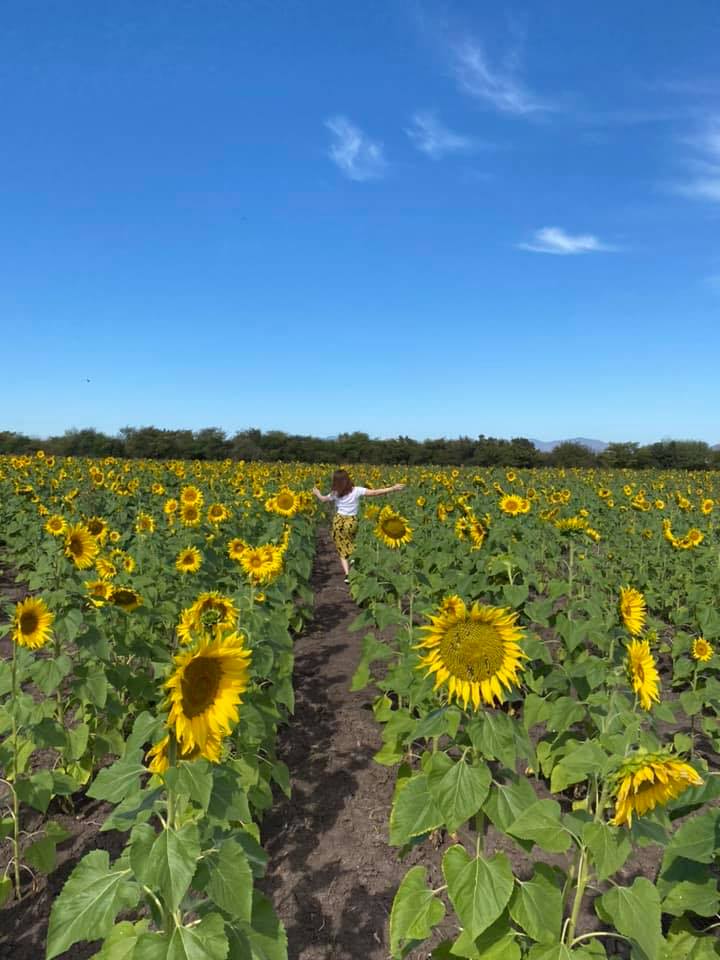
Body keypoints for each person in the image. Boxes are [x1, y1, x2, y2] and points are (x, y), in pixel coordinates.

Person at [312, 469, 406, 581]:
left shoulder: (335, 493)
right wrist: (392, 488)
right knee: (351, 540)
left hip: (338, 520)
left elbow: (323, 499)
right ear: (347, 479)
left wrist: (317, 493)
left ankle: (347, 574)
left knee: (341, 547)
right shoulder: (356, 490)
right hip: (352, 521)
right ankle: (353, 557)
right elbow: (375, 492)